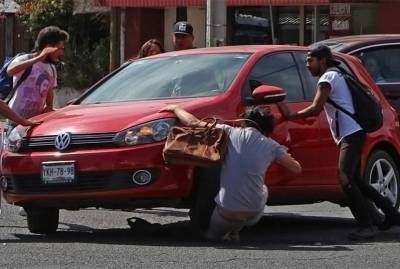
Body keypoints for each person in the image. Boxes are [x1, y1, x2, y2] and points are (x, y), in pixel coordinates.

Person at [277, 44, 400, 240]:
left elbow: (316, 108)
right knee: (357, 180)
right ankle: (392, 215)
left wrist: (291, 115)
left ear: (322, 60)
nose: (307, 65)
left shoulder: (327, 78)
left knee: (345, 179)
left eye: (310, 60)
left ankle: (366, 226)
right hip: (353, 133)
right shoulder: (337, 73)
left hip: (350, 135)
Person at [161, 105, 302, 241]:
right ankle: (236, 229)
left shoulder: (228, 132)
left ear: (244, 122)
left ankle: (226, 232)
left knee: (211, 237)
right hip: (253, 213)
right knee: (263, 189)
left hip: (226, 211)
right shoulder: (273, 146)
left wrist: (176, 108)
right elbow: (296, 168)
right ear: (268, 128)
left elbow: (193, 122)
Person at [6, 25, 69, 216]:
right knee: (9, 163)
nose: (62, 52)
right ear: (48, 46)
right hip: (14, 121)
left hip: (34, 124)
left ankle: (31, 202)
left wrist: (57, 113)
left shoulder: (51, 69)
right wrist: (38, 57)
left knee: (32, 165)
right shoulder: (25, 59)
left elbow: (49, 100)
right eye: (59, 48)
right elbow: (11, 71)